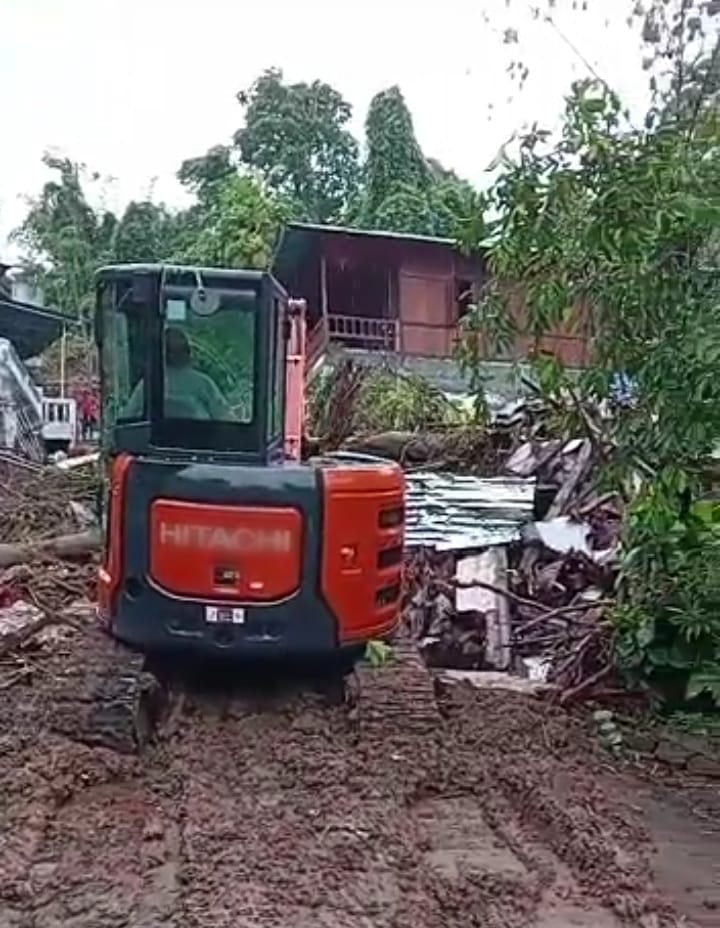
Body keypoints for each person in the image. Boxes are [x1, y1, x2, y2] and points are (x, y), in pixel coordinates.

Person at [123, 327, 233, 421]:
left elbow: (128, 417)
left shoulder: (148, 384)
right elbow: (225, 418)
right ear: (188, 352)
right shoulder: (203, 383)